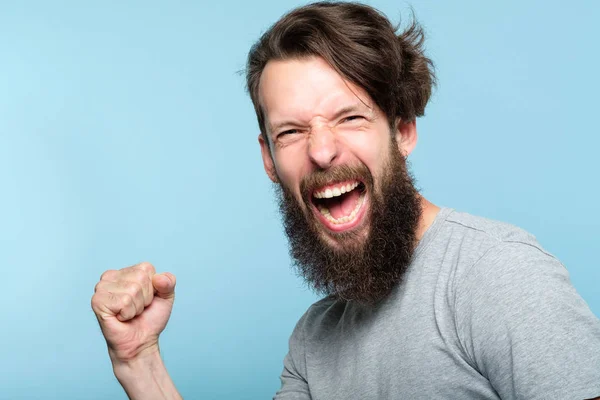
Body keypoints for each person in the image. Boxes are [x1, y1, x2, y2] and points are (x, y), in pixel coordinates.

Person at [91, 2, 600, 399]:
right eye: (290, 132)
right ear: (269, 159)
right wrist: (141, 363)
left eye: (349, 117)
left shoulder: (498, 276)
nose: (321, 150)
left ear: (402, 130)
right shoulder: (313, 339)